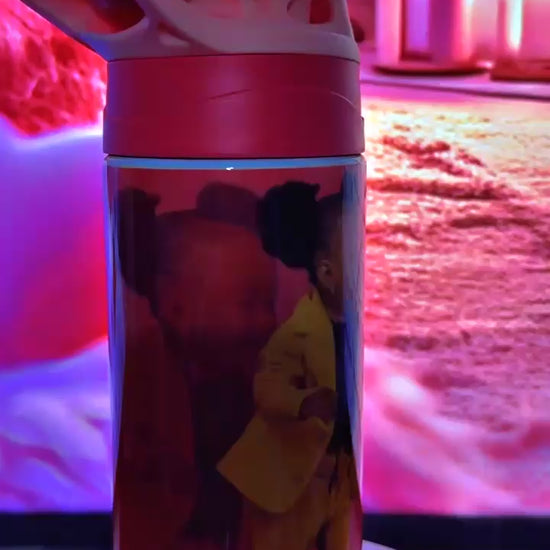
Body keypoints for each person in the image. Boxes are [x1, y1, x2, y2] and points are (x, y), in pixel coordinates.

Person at [114, 183, 277, 550]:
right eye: (248, 303)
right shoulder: (146, 369)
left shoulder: (258, 377)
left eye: (269, 302)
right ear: (175, 304)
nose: (267, 320)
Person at [218, 181, 361, 550]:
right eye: (361, 254)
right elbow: (267, 387)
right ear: (327, 272)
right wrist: (304, 402)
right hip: (289, 480)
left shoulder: (360, 330)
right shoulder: (297, 333)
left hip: (339, 475)